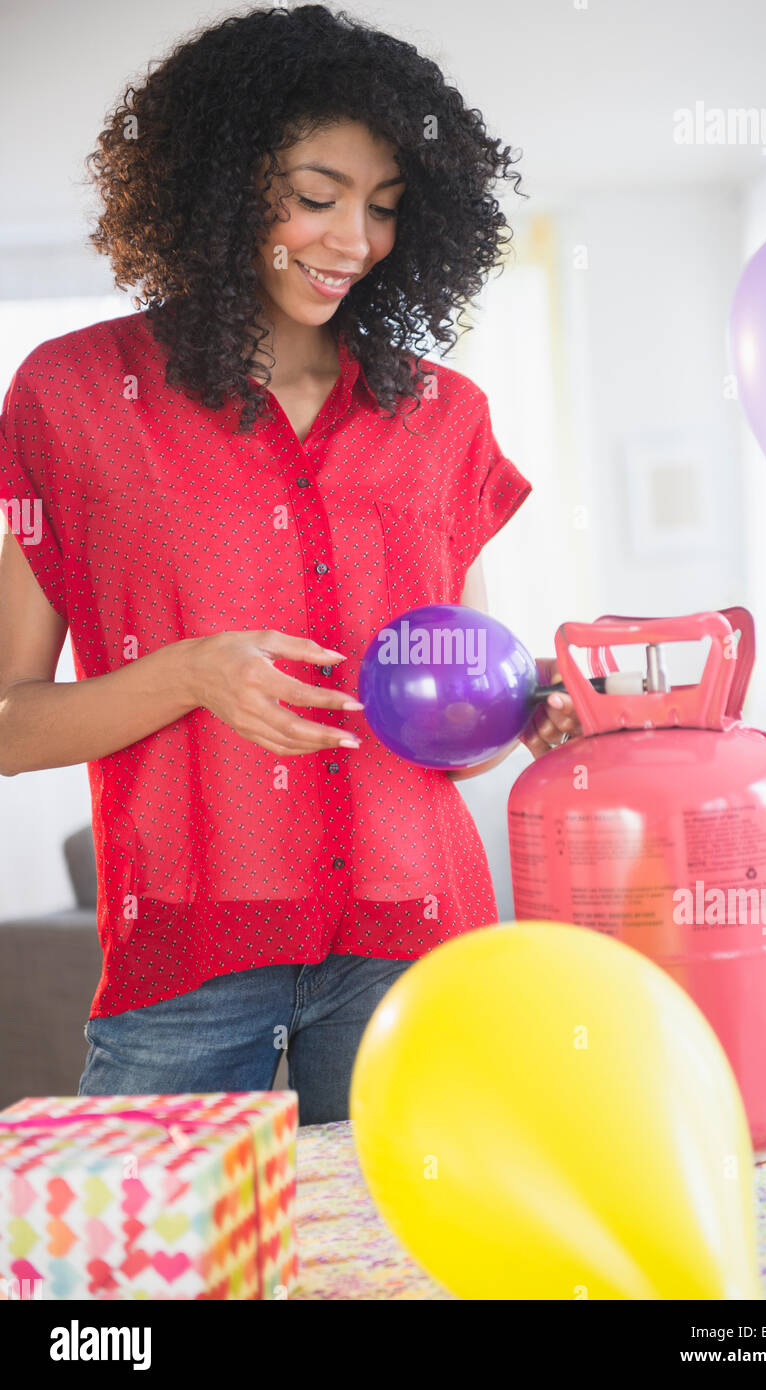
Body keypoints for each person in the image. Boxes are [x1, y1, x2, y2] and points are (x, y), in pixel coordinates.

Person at [0, 5, 578, 1122]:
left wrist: (511, 711)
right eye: (317, 196)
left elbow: (450, 726)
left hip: (415, 941)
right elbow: (9, 724)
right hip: (187, 958)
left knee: (404, 1285)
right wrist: (191, 673)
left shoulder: (442, 417)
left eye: (384, 209)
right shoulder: (69, 399)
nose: (352, 239)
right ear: (218, 185)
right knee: (135, 1282)